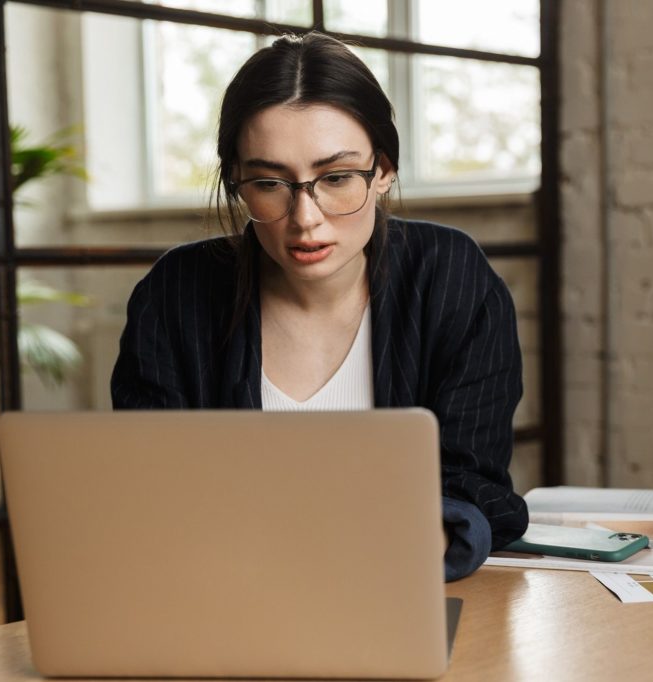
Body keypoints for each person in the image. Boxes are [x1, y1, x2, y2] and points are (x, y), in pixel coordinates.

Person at [111, 32, 527, 580]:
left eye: (335, 178)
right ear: (236, 183)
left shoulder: (451, 277)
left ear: (383, 170)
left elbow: (471, 482)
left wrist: (418, 537)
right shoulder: (176, 293)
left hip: (394, 590)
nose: (305, 218)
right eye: (269, 182)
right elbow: (151, 489)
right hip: (221, 595)